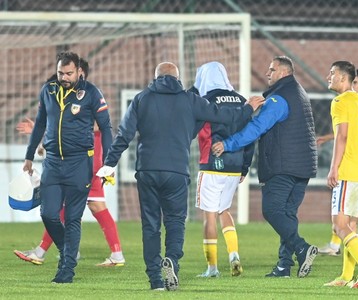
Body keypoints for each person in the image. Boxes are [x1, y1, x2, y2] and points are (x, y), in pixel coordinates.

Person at [96, 62, 263, 291]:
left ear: (155, 77)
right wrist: (246, 108)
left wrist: (109, 164)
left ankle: (155, 280)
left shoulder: (142, 99)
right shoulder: (190, 100)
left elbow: (124, 134)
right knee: (175, 222)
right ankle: (172, 263)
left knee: (151, 226)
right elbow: (223, 116)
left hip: (148, 170)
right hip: (176, 172)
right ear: (178, 78)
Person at [211, 56, 318, 278]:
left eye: (272, 69)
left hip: (283, 166)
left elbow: (256, 128)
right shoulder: (300, 93)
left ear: (284, 72)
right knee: (287, 214)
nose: (267, 73)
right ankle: (284, 266)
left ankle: (302, 247)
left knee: (271, 210)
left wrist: (228, 144)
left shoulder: (279, 99)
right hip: (304, 166)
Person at [14, 59, 125, 267]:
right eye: (61, 74)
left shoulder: (88, 99)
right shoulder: (72, 99)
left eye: (68, 73)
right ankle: (53, 251)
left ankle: (108, 254)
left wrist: (108, 165)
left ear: (79, 72)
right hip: (88, 162)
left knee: (91, 207)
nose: (63, 78)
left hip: (87, 163)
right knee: (71, 209)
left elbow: (76, 132)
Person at [193, 62, 254, 278]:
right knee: (224, 211)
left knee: (209, 216)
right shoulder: (241, 100)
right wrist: (245, 166)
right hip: (235, 166)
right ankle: (234, 255)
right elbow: (250, 135)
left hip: (212, 163)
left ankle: (212, 268)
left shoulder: (204, 101)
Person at [322, 61, 358, 288]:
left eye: (332, 73)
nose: (329, 76)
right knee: (351, 225)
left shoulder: (340, 102)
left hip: (347, 170)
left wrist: (334, 167)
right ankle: (346, 276)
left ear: (344, 78)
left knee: (339, 225)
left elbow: (342, 137)